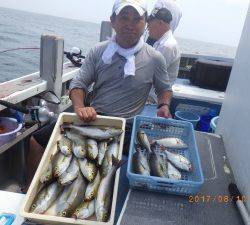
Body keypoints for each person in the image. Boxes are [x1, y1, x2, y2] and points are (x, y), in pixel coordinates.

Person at [24, 0, 173, 192]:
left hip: (126, 126)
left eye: (137, 19)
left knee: (149, 160)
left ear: (145, 24)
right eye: (124, 17)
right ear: (112, 21)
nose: (130, 24)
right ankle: (30, 192)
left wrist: (164, 105)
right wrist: (79, 107)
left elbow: (165, 88)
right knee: (36, 142)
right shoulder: (99, 51)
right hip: (93, 118)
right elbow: (78, 85)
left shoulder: (155, 58)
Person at [147, 6, 181, 103]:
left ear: (160, 23)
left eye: (149, 23)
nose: (147, 27)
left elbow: (151, 74)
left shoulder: (167, 46)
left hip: (153, 99)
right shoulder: (161, 42)